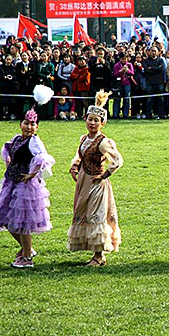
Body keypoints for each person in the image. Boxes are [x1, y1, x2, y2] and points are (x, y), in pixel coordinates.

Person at [0, 87, 55, 268]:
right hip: (12, 183)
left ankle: (27, 258)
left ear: (37, 127)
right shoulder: (18, 139)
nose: (29, 127)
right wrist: (9, 165)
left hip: (26, 187)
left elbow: (43, 158)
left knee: (23, 223)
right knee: (5, 219)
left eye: (32, 124)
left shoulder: (34, 141)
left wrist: (32, 173)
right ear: (20, 124)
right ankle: (28, 249)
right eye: (26, 123)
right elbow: (7, 150)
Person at [67, 90, 124, 266]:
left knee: (96, 215)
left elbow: (118, 160)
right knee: (84, 213)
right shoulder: (84, 138)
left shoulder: (103, 142)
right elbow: (79, 155)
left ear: (102, 123)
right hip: (84, 181)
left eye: (96, 120)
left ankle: (99, 256)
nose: (92, 123)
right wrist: (74, 167)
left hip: (96, 182)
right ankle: (94, 252)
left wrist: (105, 175)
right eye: (90, 119)